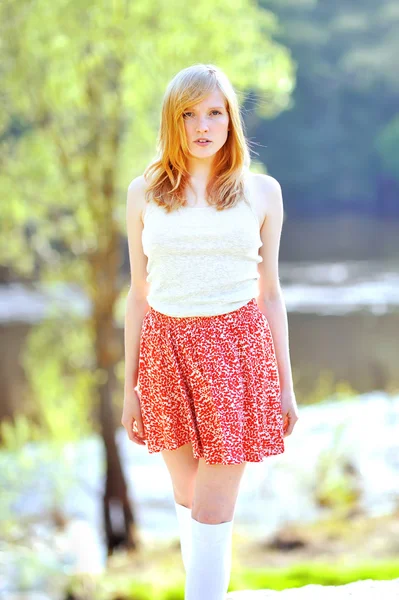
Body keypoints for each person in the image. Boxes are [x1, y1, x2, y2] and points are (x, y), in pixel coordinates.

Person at [121, 63, 299, 600]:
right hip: (164, 350)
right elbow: (138, 294)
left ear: (230, 120)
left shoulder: (262, 193)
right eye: (189, 114)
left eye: (215, 112)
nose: (203, 125)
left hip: (236, 351)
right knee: (187, 495)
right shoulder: (144, 193)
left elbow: (270, 294)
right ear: (172, 123)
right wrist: (129, 390)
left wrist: (286, 387)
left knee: (212, 507)